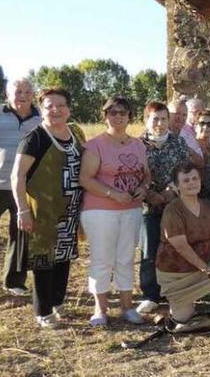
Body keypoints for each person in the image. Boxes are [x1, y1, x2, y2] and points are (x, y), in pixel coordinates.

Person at [10, 88, 84, 328]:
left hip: (70, 210)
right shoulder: (35, 138)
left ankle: (57, 301)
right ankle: (43, 311)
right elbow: (17, 176)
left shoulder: (75, 132)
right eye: (49, 106)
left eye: (61, 105)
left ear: (69, 108)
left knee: (63, 256)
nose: (56, 110)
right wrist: (22, 209)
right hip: (41, 214)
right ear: (41, 109)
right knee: (43, 260)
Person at [79, 96, 149, 327]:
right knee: (102, 259)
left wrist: (143, 187)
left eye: (123, 112)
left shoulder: (138, 145)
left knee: (126, 258)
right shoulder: (95, 144)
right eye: (113, 112)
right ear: (105, 115)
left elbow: (146, 174)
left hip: (131, 209)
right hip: (101, 210)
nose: (118, 116)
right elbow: (85, 179)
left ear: (130, 116)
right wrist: (113, 194)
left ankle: (127, 307)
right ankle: (100, 308)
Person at [156, 162, 210, 330]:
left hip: (205, 266)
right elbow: (181, 247)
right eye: (186, 180)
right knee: (182, 320)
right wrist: (205, 268)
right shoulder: (172, 210)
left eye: (195, 178)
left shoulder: (208, 206)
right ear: (177, 186)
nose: (192, 183)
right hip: (176, 275)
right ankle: (169, 311)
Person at [0, 78, 39, 297]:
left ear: (33, 95)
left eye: (28, 91)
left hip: (26, 186)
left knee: (22, 234)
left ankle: (14, 282)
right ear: (7, 94)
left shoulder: (40, 118)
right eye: (18, 91)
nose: (23, 95)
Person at [138, 101, 193, 314]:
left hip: (174, 205)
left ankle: (175, 292)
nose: (159, 123)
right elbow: (134, 172)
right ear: (146, 120)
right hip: (148, 206)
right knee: (149, 250)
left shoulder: (178, 143)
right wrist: (150, 193)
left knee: (175, 249)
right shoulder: (137, 145)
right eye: (155, 119)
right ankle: (151, 294)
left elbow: (185, 171)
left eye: (163, 119)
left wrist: (170, 191)